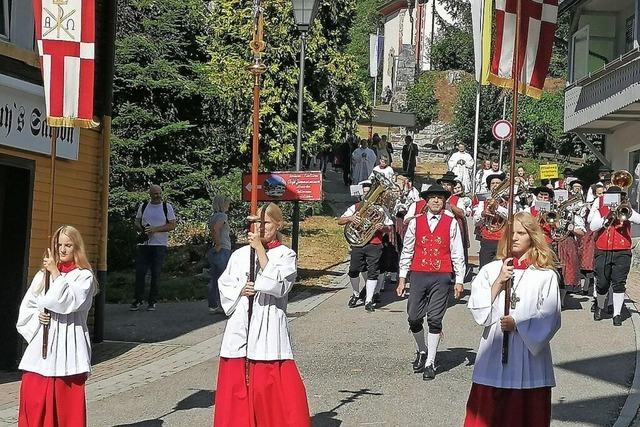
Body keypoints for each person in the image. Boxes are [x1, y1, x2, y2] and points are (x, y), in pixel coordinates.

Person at [213, 203, 310, 427]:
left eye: (266, 223)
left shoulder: (286, 255)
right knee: (237, 387)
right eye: (258, 222)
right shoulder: (239, 255)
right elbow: (225, 284)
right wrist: (240, 290)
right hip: (242, 324)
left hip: (268, 326)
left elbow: (278, 286)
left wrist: (259, 251)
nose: (261, 228)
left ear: (278, 224)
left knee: (271, 388)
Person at [464, 212, 561, 427]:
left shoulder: (545, 275)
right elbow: (479, 309)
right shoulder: (491, 270)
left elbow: (550, 316)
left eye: (521, 233)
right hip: (495, 350)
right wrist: (499, 282)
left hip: (529, 355)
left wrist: (518, 324)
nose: (515, 237)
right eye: (511, 233)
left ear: (532, 237)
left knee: (524, 415)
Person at [17, 226, 97, 427]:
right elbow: (30, 305)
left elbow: (67, 302)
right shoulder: (41, 275)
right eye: (59, 245)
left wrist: (55, 273)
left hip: (68, 346)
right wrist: (39, 316)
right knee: (33, 391)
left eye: (68, 245)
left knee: (65, 402)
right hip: (41, 349)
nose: (62, 250)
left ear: (76, 247)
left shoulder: (84, 276)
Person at [396, 184, 466, 380]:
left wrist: (459, 280)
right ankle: (422, 350)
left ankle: (430, 362)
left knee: (435, 319)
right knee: (413, 317)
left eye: (440, 198)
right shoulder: (415, 223)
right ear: (426, 201)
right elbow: (407, 251)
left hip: (442, 275)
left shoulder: (451, 222)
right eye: (433, 197)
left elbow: (457, 253)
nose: (436, 200)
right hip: (419, 273)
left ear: (444, 201)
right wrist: (402, 278)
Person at [589, 185, 640, 326]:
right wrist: (607, 216)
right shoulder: (600, 207)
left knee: (619, 283)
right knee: (602, 283)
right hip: (602, 250)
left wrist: (627, 211)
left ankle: (617, 314)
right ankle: (599, 306)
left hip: (622, 250)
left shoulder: (626, 207)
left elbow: (638, 219)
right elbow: (593, 226)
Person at [339, 180, 393, 312]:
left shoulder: (381, 209)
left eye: (371, 192)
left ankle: (369, 300)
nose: (368, 195)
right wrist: (350, 219)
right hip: (357, 243)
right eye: (366, 193)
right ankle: (356, 294)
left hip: (374, 244)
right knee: (353, 270)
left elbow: (390, 227)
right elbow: (340, 221)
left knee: (373, 272)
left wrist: (383, 227)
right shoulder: (356, 207)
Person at [131, 185, 177, 311]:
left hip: (159, 245)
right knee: (140, 273)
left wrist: (155, 229)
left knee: (156, 274)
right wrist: (143, 229)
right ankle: (137, 300)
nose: (158, 196)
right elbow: (136, 221)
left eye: (159, 193)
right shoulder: (144, 206)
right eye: (155, 194)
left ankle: (152, 301)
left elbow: (172, 225)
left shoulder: (166, 207)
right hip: (144, 245)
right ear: (150, 194)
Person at [473, 172, 509, 267]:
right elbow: (475, 222)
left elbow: (511, 217)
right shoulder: (483, 201)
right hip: (487, 239)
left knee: (501, 267)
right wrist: (483, 214)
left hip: (503, 239)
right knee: (484, 267)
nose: (495, 185)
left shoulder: (508, 200)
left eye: (498, 183)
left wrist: (497, 207)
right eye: (493, 183)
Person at [207, 195, 232, 314]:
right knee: (224, 278)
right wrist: (218, 244)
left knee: (215, 278)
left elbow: (213, 228)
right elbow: (216, 229)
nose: (228, 205)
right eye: (227, 203)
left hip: (214, 251)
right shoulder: (222, 216)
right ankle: (223, 305)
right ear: (222, 204)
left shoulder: (213, 216)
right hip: (222, 249)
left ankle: (213, 305)